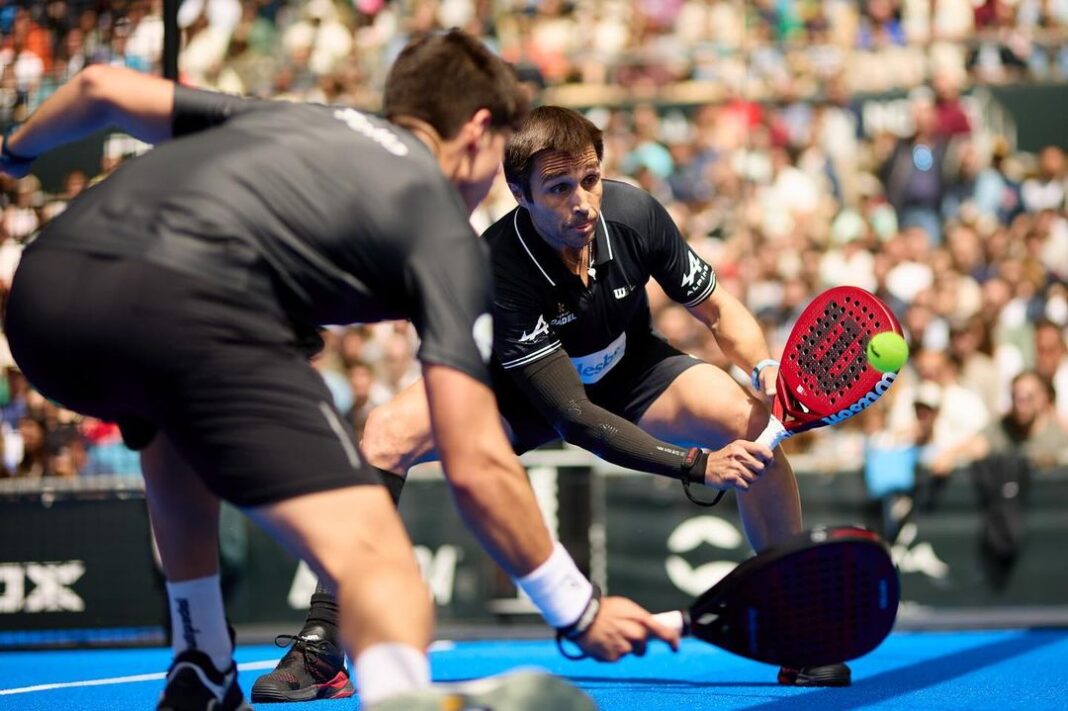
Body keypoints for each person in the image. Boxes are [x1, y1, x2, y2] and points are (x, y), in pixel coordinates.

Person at [0, 33, 675, 711]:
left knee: (165, 420)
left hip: (44, 302)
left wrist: (12, 153)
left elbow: (100, 90)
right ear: (476, 131)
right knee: (380, 568)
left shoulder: (294, 118)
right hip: (189, 305)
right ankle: (396, 695)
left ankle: (202, 656)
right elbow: (476, 464)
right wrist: (578, 607)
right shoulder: (442, 231)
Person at [255, 105, 850, 702]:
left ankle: (798, 624)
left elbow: (719, 310)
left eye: (589, 179)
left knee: (747, 418)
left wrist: (764, 366)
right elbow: (574, 418)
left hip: (628, 368)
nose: (582, 201)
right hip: (517, 392)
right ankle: (325, 643)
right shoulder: (499, 267)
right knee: (384, 434)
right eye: (559, 188)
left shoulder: (635, 213)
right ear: (521, 195)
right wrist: (697, 464)